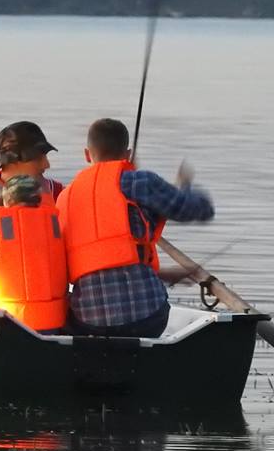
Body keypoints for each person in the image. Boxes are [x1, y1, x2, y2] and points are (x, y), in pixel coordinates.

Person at [56, 118, 214, 338]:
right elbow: (200, 210)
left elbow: (96, 259)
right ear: (128, 154)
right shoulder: (142, 182)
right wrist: (183, 187)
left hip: (90, 323)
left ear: (86, 154)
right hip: (148, 319)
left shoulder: (65, 198)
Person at [0, 121, 63, 287]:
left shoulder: (57, 194)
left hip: (51, 302)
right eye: (38, 158)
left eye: (45, 156)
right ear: (12, 161)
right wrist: (16, 247)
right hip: (3, 306)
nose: (46, 164)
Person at [0, 175, 68, 333]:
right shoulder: (54, 227)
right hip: (52, 322)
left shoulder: (2, 228)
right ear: (38, 199)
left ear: (7, 201)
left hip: (12, 321)